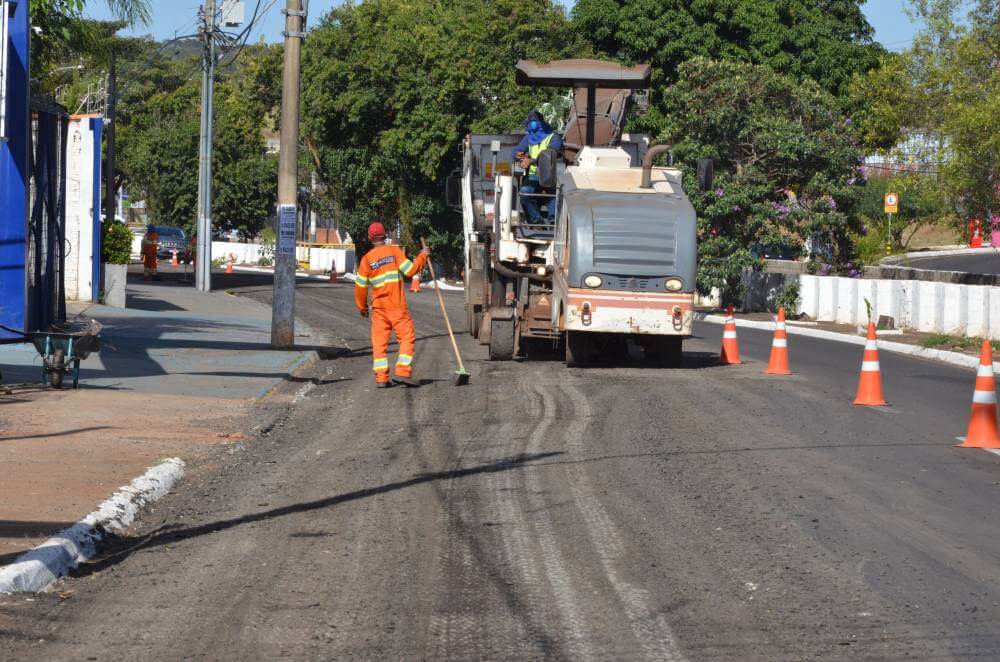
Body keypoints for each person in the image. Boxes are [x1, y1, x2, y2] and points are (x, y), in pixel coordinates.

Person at [354, 222, 430, 387]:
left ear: (369, 238)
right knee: (407, 337)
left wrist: (362, 307)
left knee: (379, 343)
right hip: (396, 306)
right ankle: (402, 372)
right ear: (385, 235)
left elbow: (360, 287)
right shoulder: (394, 251)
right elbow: (410, 271)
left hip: (378, 308)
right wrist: (423, 255)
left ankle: (381, 378)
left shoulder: (366, 260)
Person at [513, 110, 563, 223]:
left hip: (551, 176)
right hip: (533, 176)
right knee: (525, 193)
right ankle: (536, 221)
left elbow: (550, 154)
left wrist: (532, 161)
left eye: (529, 124)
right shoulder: (529, 138)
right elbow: (515, 152)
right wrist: (520, 157)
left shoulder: (554, 138)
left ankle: (553, 222)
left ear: (534, 124)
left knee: (554, 194)